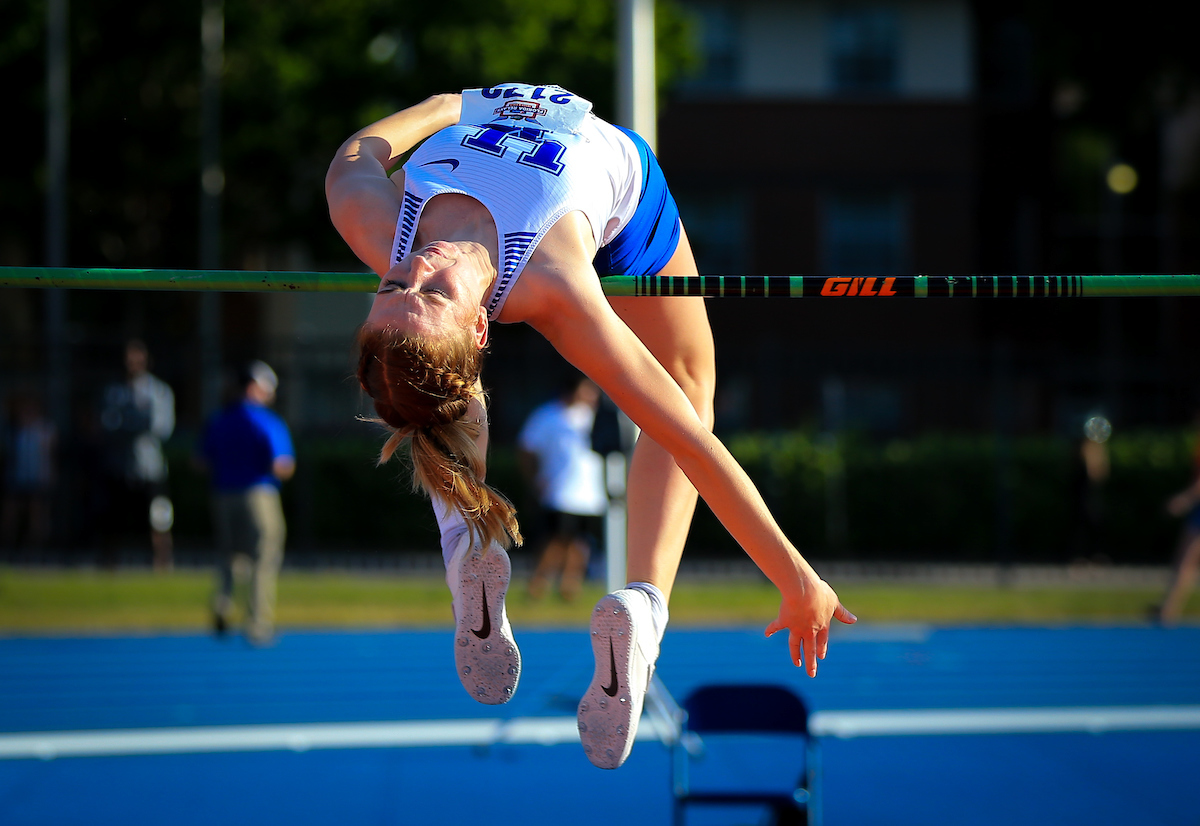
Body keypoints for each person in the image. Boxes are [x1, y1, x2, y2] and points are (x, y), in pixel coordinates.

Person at [327, 83, 856, 769]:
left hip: (534, 169)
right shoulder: (557, 287)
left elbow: (354, 157)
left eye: (392, 288)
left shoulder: (376, 226)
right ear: (483, 324)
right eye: (430, 292)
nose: (415, 268)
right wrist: (795, 577)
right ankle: (643, 611)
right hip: (620, 189)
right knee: (690, 384)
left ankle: (467, 543)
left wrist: (453, 106)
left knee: (428, 372)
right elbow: (690, 442)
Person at [200, 361, 295, 646]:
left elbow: (200, 460)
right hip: (259, 494)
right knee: (263, 557)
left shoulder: (219, 419)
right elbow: (282, 464)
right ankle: (256, 623)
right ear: (255, 388)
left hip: (223, 493)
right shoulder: (267, 421)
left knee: (229, 555)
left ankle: (222, 606)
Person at [518, 373, 607, 601]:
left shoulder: (595, 417)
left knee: (581, 543)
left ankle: (570, 588)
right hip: (560, 492)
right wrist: (535, 480)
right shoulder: (548, 416)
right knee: (555, 540)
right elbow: (527, 449)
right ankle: (538, 585)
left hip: (590, 494)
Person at [98, 339, 176, 570]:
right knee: (113, 519)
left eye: (138, 359)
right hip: (119, 466)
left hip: (151, 468)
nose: (133, 364)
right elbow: (107, 425)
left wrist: (130, 422)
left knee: (159, 518)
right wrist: (137, 421)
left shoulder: (159, 391)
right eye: (129, 360)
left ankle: (162, 563)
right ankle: (109, 565)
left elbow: (161, 428)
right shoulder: (113, 391)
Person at [1, 393, 57, 554]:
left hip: (38, 478)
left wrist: (52, 475)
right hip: (16, 477)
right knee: (10, 513)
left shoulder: (46, 428)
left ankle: (35, 550)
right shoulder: (13, 429)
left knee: (37, 515)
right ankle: (8, 547)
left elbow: (52, 454)